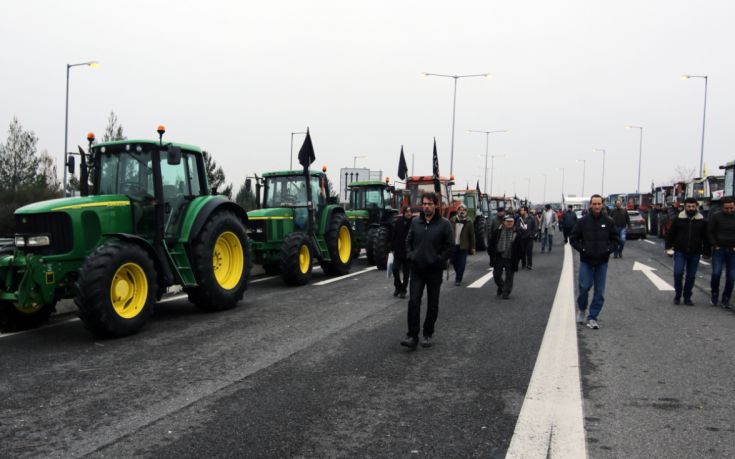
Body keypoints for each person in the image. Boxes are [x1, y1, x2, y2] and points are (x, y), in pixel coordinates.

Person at [401, 192, 454, 349]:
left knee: (432, 305)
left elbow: (450, 246)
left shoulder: (444, 224)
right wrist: (411, 255)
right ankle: (412, 336)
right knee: (413, 302)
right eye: (424, 203)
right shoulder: (415, 222)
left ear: (436, 205)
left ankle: (428, 333)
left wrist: (438, 259)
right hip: (417, 269)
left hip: (434, 270)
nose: (426, 206)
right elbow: (408, 241)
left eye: (429, 204)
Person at [570, 194, 619, 329]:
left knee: (599, 292)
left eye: (599, 204)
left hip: (602, 262)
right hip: (586, 261)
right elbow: (573, 239)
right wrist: (583, 249)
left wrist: (608, 250)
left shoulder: (609, 222)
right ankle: (581, 309)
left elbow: (616, 240)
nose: (597, 206)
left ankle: (593, 317)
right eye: (594, 204)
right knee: (584, 288)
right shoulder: (582, 222)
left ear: (602, 204)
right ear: (590, 205)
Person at [666, 197, 710, 306]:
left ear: (696, 207)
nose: (691, 208)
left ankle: (687, 297)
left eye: (693, 206)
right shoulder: (678, 219)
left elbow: (706, 237)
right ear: (685, 207)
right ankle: (678, 294)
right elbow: (670, 234)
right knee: (678, 273)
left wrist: (706, 252)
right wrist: (668, 247)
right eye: (689, 206)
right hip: (680, 251)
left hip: (695, 252)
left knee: (691, 276)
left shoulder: (702, 221)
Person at [708, 198, 735, 308]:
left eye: (731, 208)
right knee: (716, 273)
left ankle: (726, 298)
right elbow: (710, 231)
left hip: (733, 250)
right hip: (719, 249)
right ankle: (714, 294)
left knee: (731, 276)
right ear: (722, 207)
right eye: (727, 208)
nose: (729, 210)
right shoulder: (716, 216)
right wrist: (715, 245)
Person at [489, 215, 522, 299]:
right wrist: (492, 256)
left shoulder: (517, 233)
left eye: (511, 221)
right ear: (504, 222)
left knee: (509, 277)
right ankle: (502, 286)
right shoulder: (497, 232)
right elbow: (491, 245)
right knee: (496, 275)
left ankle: (506, 292)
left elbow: (520, 247)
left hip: (511, 257)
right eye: (508, 221)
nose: (509, 223)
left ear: (514, 223)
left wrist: (518, 258)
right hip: (499, 256)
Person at [390, 206, 413, 299]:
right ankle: (398, 287)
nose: (408, 213)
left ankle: (403, 290)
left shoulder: (414, 223)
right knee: (395, 269)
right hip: (398, 251)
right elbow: (394, 235)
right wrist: (391, 248)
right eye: (407, 211)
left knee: (406, 273)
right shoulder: (398, 222)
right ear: (404, 213)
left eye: (410, 212)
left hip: (408, 252)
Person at [450, 204, 476, 286]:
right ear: (457, 211)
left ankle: (458, 279)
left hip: (463, 246)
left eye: (463, 210)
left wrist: (473, 247)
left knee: (462, 263)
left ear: (466, 212)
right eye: (460, 210)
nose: (462, 211)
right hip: (453, 245)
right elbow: (448, 232)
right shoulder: (452, 220)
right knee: (454, 262)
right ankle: (459, 273)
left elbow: (472, 235)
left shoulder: (469, 222)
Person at [517, 205, 536, 270]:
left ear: (525, 211)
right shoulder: (519, 219)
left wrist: (532, 234)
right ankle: (523, 264)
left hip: (529, 238)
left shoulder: (531, 218)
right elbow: (517, 228)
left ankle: (529, 264)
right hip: (522, 237)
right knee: (522, 251)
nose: (520, 211)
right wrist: (521, 229)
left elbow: (534, 227)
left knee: (529, 251)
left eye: (522, 210)